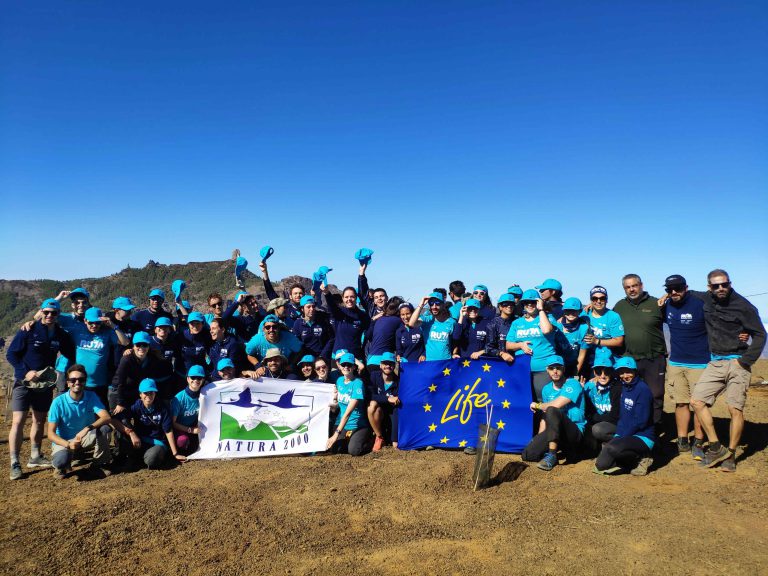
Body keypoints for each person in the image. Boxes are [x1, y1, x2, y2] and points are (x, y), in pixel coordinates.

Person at [689, 269, 766, 472]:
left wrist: (745, 360)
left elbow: (760, 334)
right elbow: (686, 292)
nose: (721, 288)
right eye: (716, 285)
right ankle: (716, 447)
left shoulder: (743, 306)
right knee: (697, 401)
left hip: (738, 362)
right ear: (709, 287)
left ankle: (730, 454)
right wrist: (666, 295)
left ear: (730, 284)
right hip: (715, 362)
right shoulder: (706, 297)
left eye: (725, 284)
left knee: (735, 409)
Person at [6, 298, 76, 480]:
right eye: (46, 312)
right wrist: (25, 372)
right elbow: (11, 354)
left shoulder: (60, 334)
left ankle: (35, 456)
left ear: (58, 315)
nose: (49, 316)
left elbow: (72, 352)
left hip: (44, 384)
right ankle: (14, 463)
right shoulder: (28, 330)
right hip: (24, 382)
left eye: (53, 313)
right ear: (41, 312)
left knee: (39, 420)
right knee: (18, 421)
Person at [657, 274, 710, 456]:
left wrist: (742, 332)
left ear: (686, 288)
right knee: (680, 402)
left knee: (699, 404)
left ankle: (699, 440)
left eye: (678, 288)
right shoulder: (667, 306)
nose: (673, 292)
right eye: (669, 290)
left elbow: (721, 320)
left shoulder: (700, 304)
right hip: (676, 362)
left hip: (700, 363)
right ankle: (682, 439)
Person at [613, 274, 667, 428]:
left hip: (654, 358)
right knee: (631, 394)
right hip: (629, 360)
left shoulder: (656, 303)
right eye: (627, 287)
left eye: (634, 286)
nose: (631, 289)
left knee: (655, 395)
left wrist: (669, 295)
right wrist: (588, 309)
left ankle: (654, 428)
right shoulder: (619, 306)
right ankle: (633, 427)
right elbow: (606, 318)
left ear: (641, 285)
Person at [47, 364, 115, 479]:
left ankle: (99, 464)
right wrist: (68, 444)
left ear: (85, 382)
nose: (77, 382)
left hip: (84, 437)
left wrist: (87, 428)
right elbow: (50, 434)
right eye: (73, 380)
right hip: (64, 441)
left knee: (104, 428)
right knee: (60, 461)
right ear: (68, 383)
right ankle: (62, 465)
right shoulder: (58, 402)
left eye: (81, 379)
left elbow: (106, 417)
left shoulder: (91, 396)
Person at [522, 356, 586, 471]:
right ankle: (556, 448)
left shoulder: (572, 383)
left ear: (564, 369)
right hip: (555, 432)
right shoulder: (546, 389)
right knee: (528, 455)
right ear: (547, 370)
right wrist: (539, 436)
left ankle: (552, 455)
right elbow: (545, 415)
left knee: (552, 409)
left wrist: (537, 405)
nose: (555, 371)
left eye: (558, 368)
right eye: (551, 368)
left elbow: (555, 405)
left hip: (574, 432)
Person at [593, 357, 654, 476]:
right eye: (621, 372)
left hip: (642, 435)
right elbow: (623, 416)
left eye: (628, 372)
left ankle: (643, 457)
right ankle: (626, 459)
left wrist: (621, 437)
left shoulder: (643, 390)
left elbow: (641, 421)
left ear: (635, 371)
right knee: (601, 465)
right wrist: (618, 435)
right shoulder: (625, 387)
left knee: (613, 448)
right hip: (626, 431)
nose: (625, 375)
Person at [119, 378, 186, 469]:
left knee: (152, 458)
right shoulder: (136, 406)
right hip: (141, 440)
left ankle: (143, 459)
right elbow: (123, 418)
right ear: (140, 395)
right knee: (122, 435)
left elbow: (168, 431)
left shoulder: (162, 408)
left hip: (158, 442)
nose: (149, 396)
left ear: (155, 393)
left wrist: (175, 453)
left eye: (151, 392)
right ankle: (133, 458)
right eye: (145, 393)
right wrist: (132, 433)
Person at [506, 290, 559, 401]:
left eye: (533, 302)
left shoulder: (548, 318)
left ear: (538, 302)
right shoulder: (517, 323)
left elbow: (546, 330)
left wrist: (541, 309)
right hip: (522, 368)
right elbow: (508, 345)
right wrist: (520, 345)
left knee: (543, 399)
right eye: (526, 302)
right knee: (523, 401)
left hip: (543, 368)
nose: (529, 304)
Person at [70, 307, 130, 406]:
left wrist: (113, 325)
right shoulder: (77, 330)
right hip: (79, 382)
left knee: (101, 413)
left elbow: (125, 342)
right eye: (91, 323)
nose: (94, 326)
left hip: (100, 383)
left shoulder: (106, 332)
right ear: (85, 320)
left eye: (97, 323)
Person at [326, 353, 371, 456]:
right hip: (341, 423)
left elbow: (348, 413)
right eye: (343, 364)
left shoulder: (358, 383)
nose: (346, 367)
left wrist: (336, 434)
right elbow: (338, 405)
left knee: (354, 451)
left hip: (357, 424)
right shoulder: (339, 381)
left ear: (354, 367)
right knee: (336, 450)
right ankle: (348, 439)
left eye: (349, 365)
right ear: (340, 366)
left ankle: (369, 439)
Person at [111, 332, 167, 414]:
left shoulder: (152, 358)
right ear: (133, 346)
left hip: (135, 390)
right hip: (118, 390)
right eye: (138, 345)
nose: (141, 347)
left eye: (145, 345)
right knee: (119, 417)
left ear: (148, 346)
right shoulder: (126, 360)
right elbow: (120, 383)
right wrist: (120, 403)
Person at [321, 283, 371, 360]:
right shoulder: (339, 312)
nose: (349, 299)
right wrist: (326, 293)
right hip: (338, 357)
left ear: (356, 298)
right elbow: (332, 306)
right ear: (343, 298)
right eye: (346, 297)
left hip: (355, 358)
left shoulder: (362, 315)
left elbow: (369, 334)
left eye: (352, 297)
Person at [583, 357, 621, 450]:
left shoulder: (618, 387)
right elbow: (586, 410)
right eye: (599, 371)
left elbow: (615, 416)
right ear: (594, 372)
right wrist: (581, 392)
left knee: (597, 429)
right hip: (598, 421)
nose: (602, 376)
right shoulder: (589, 386)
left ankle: (623, 442)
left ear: (612, 372)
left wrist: (594, 418)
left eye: (607, 372)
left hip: (614, 424)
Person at [409, 292, 460, 361]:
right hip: (430, 363)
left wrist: (454, 353)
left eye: (437, 303)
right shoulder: (427, 320)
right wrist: (421, 305)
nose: (434, 307)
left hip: (446, 363)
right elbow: (411, 324)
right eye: (431, 303)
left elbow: (455, 342)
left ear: (443, 304)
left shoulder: (451, 322)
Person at [584, 286, 625, 367]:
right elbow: (571, 316)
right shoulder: (585, 314)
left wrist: (597, 341)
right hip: (587, 358)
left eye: (602, 298)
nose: (598, 301)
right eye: (595, 298)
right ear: (591, 300)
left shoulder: (613, 316)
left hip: (608, 359)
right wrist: (562, 318)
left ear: (607, 300)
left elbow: (619, 341)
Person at [367, 352, 400, 451]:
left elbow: (396, 411)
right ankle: (379, 437)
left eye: (390, 364)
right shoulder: (374, 376)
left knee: (394, 444)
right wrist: (388, 399)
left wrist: (395, 440)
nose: (387, 366)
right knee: (371, 405)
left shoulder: (398, 382)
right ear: (380, 365)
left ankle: (389, 437)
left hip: (391, 415)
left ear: (394, 366)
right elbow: (369, 395)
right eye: (385, 363)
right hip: (377, 414)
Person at [171, 365, 204, 455]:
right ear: (188, 379)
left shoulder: (204, 395)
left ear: (202, 380)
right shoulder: (179, 398)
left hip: (195, 427)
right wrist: (190, 430)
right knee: (183, 441)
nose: (196, 380)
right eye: (193, 377)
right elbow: (173, 423)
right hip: (181, 428)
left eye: (199, 378)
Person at [292, 295, 334, 359]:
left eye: (313, 306)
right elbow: (296, 343)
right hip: (306, 360)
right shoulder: (298, 323)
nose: (311, 309)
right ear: (302, 309)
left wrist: (323, 355)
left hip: (323, 358)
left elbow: (331, 339)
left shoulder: (323, 321)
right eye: (308, 307)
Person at [556, 297, 589, 379]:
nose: (571, 313)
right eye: (568, 310)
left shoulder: (584, 328)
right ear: (563, 311)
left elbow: (582, 355)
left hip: (576, 365)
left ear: (579, 312)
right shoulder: (557, 326)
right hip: (558, 365)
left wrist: (574, 374)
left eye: (574, 311)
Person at [485, 293, 517, 363]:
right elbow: (489, 348)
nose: (509, 306)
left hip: (517, 360)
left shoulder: (518, 322)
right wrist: (501, 353)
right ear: (500, 307)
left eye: (512, 304)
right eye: (505, 304)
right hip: (500, 362)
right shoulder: (493, 324)